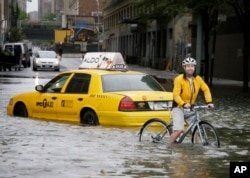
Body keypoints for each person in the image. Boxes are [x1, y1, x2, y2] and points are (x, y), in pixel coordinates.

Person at [169, 57, 214, 144]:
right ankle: (168, 148)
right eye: (188, 66)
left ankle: (196, 151)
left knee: (196, 130)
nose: (190, 68)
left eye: (192, 66)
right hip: (179, 107)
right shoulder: (179, 79)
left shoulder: (198, 79)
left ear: (194, 67)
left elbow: (206, 89)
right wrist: (183, 103)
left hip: (191, 108)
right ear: (184, 68)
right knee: (178, 131)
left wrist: (209, 102)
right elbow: (176, 95)